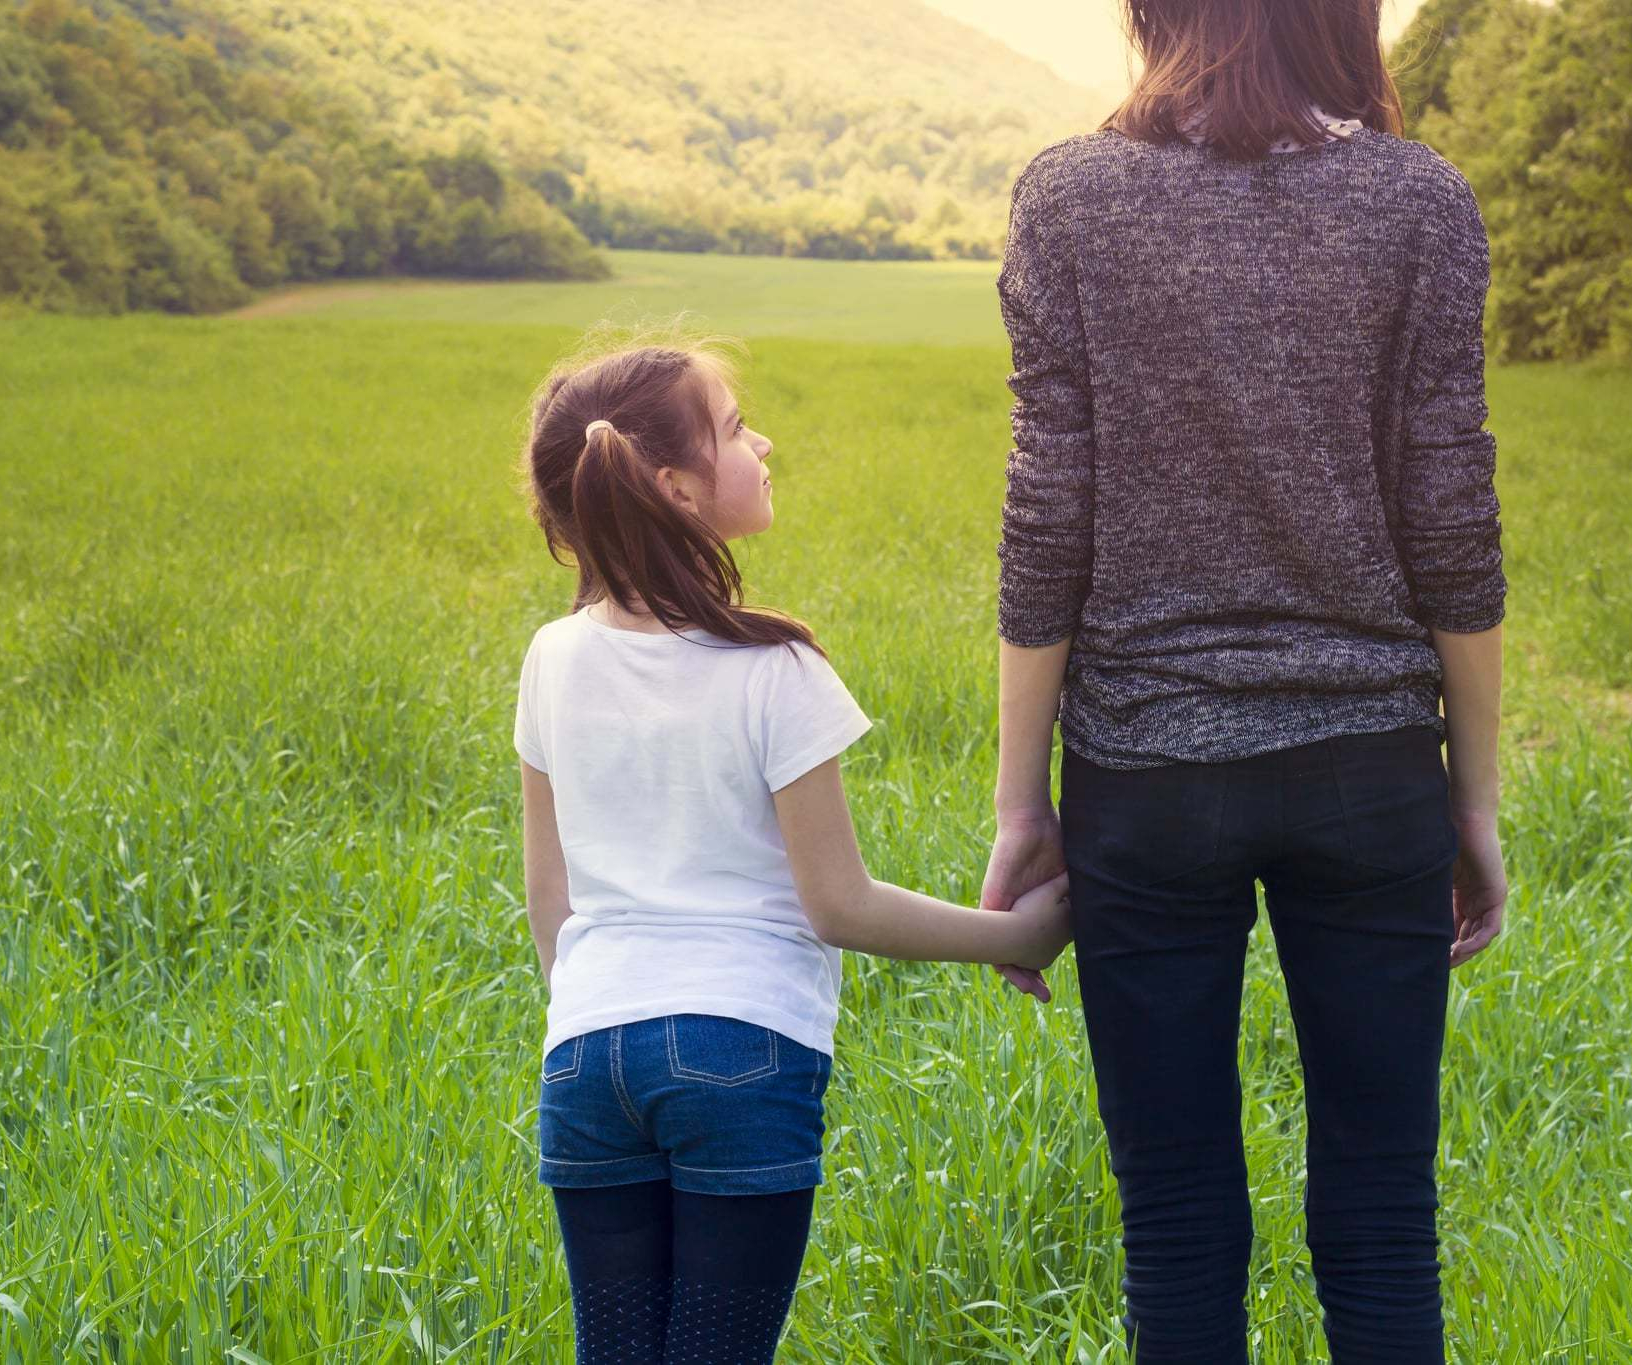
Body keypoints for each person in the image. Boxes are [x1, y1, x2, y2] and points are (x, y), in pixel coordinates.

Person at [980, 2, 1511, 1360]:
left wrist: (1019, 802)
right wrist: (1475, 801)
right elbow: (1454, 519)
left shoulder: (1070, 199)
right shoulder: (1421, 202)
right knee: (1386, 1215)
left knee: (1174, 1222)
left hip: (1144, 778)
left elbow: (1050, 515)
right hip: (1370, 768)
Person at [514, 339, 1073, 1364]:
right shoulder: (773, 668)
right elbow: (839, 905)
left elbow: (548, 902)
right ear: (676, 488)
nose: (761, 441)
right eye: (734, 428)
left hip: (584, 1057)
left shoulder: (551, 657)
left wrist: (602, 1009)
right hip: (737, 1049)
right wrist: (1019, 931)